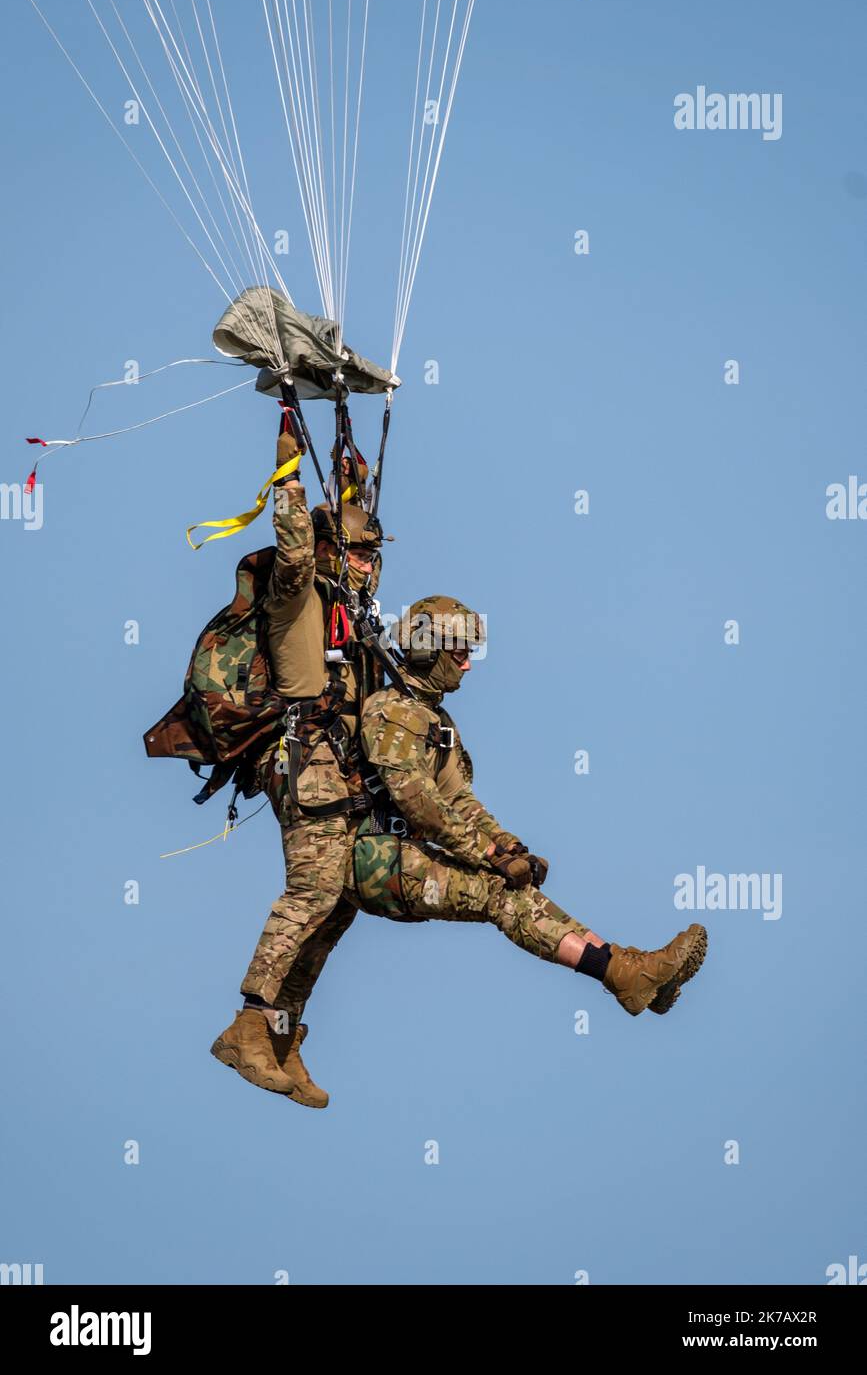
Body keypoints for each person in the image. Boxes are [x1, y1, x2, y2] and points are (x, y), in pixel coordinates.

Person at [348, 596, 708, 1020]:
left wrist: (509, 846)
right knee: (500, 894)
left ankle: (628, 971)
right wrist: (490, 855)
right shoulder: (393, 712)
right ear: (429, 649)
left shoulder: (434, 720)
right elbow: (421, 806)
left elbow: (460, 801)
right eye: (460, 653)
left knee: (518, 889)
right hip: (372, 859)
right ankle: (622, 974)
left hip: (401, 855)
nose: (467, 666)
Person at [210, 416, 387, 1107]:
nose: (368, 565)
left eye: (374, 555)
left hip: (342, 772)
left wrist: (354, 487)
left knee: (339, 905)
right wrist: (286, 481)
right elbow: (294, 555)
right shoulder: (299, 597)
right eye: (358, 554)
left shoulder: (355, 615)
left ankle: (279, 1037)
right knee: (312, 892)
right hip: (302, 764)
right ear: (329, 553)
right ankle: (247, 1024)